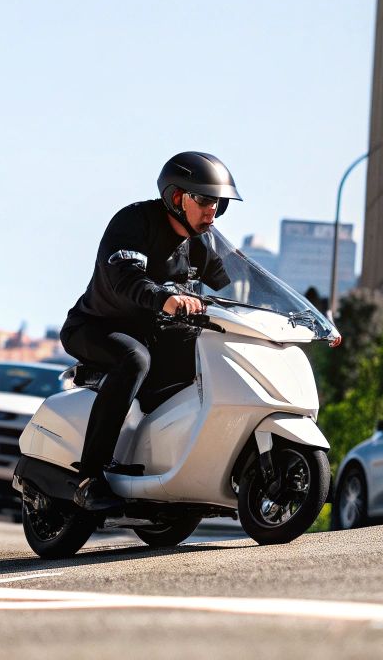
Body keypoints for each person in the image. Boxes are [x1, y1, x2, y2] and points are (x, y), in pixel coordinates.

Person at [60, 151, 237, 511]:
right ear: (176, 198)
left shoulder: (200, 243)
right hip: (96, 327)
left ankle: (167, 465)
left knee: (207, 354)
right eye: (204, 200)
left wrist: (294, 318)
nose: (212, 211)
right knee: (134, 360)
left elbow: (237, 287)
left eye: (217, 203)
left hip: (156, 333)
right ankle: (89, 477)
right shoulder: (134, 222)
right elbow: (124, 278)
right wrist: (164, 299)